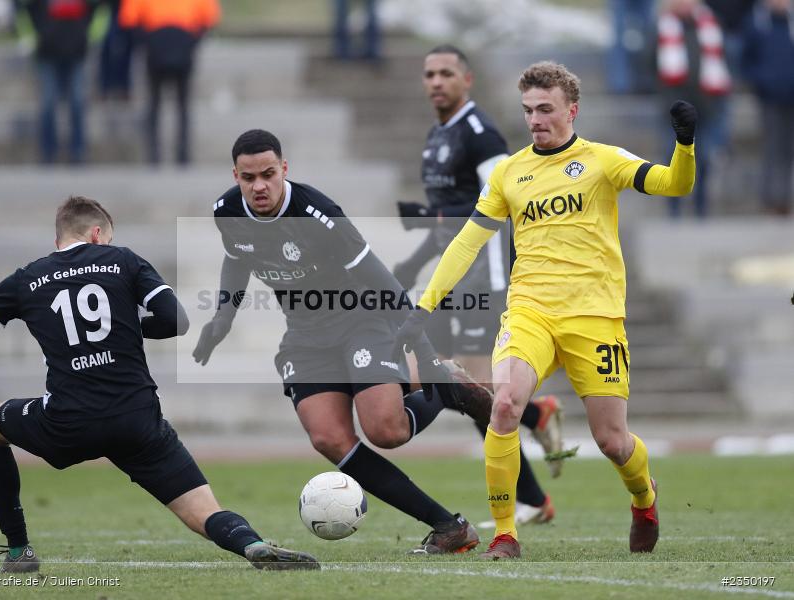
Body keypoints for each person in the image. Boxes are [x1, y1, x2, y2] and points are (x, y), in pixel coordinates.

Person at [0, 196, 319, 572]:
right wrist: (130, 327)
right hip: (136, 420)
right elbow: (177, 321)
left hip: (66, 423)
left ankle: (20, 552)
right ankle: (252, 543)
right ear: (98, 233)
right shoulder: (123, 260)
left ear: (62, 235)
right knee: (203, 510)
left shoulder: (27, 279)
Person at [393, 61, 698, 558]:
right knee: (505, 405)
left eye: (545, 109)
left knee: (612, 441)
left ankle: (644, 500)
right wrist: (422, 308)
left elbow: (675, 185)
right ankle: (506, 533)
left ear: (572, 110)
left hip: (594, 317)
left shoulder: (602, 160)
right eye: (528, 110)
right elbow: (466, 244)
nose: (535, 119)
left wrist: (684, 146)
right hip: (529, 312)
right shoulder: (510, 172)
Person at [193, 129, 491, 554]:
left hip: (361, 319)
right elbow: (237, 257)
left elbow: (380, 281)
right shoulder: (227, 211)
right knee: (328, 438)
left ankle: (441, 385)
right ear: (235, 175)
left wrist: (423, 350)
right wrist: (223, 315)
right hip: (305, 335)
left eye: (268, 174)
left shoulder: (318, 213)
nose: (259, 186)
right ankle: (449, 527)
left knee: (386, 431)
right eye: (248, 177)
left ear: (284, 170)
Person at [393, 45, 563, 524]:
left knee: (465, 389)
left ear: (466, 79)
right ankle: (535, 438)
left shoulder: (479, 134)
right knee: (464, 390)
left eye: (446, 73)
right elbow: (455, 219)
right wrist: (417, 255)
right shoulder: (437, 135)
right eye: (429, 73)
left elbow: (509, 199)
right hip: (452, 278)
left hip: (483, 280)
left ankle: (532, 472)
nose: (436, 81)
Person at [118, 0, 221, 165]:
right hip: (182, 44)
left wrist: (146, 43)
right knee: (182, 105)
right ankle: (182, 155)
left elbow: (128, 20)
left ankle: (154, 155)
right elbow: (209, 19)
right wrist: (191, 42)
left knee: (155, 104)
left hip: (156, 46)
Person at [656, 0, 731, 218]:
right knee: (671, 157)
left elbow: (721, 59)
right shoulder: (661, 25)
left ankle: (700, 206)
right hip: (673, 108)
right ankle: (674, 208)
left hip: (706, 107)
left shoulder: (711, 23)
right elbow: (650, 62)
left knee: (705, 157)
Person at [20, 0, 101, 165]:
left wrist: (86, 35)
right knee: (48, 104)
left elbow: (98, 9)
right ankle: (48, 153)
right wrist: (38, 35)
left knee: (77, 103)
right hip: (48, 51)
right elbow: (25, 9)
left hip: (77, 50)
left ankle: (78, 152)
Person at [741, 0, 794, 216]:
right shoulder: (757, 22)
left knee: (789, 151)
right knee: (773, 149)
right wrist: (761, 83)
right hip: (770, 98)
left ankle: (787, 199)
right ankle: (772, 200)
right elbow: (746, 60)